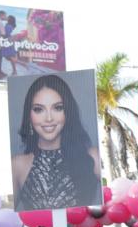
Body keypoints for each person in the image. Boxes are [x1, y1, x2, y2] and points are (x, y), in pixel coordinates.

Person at [10, 73, 99, 209]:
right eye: (39, 109)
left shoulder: (93, 156)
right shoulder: (17, 165)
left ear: (68, 111)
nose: (49, 118)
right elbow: (7, 218)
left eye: (58, 108)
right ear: (29, 115)